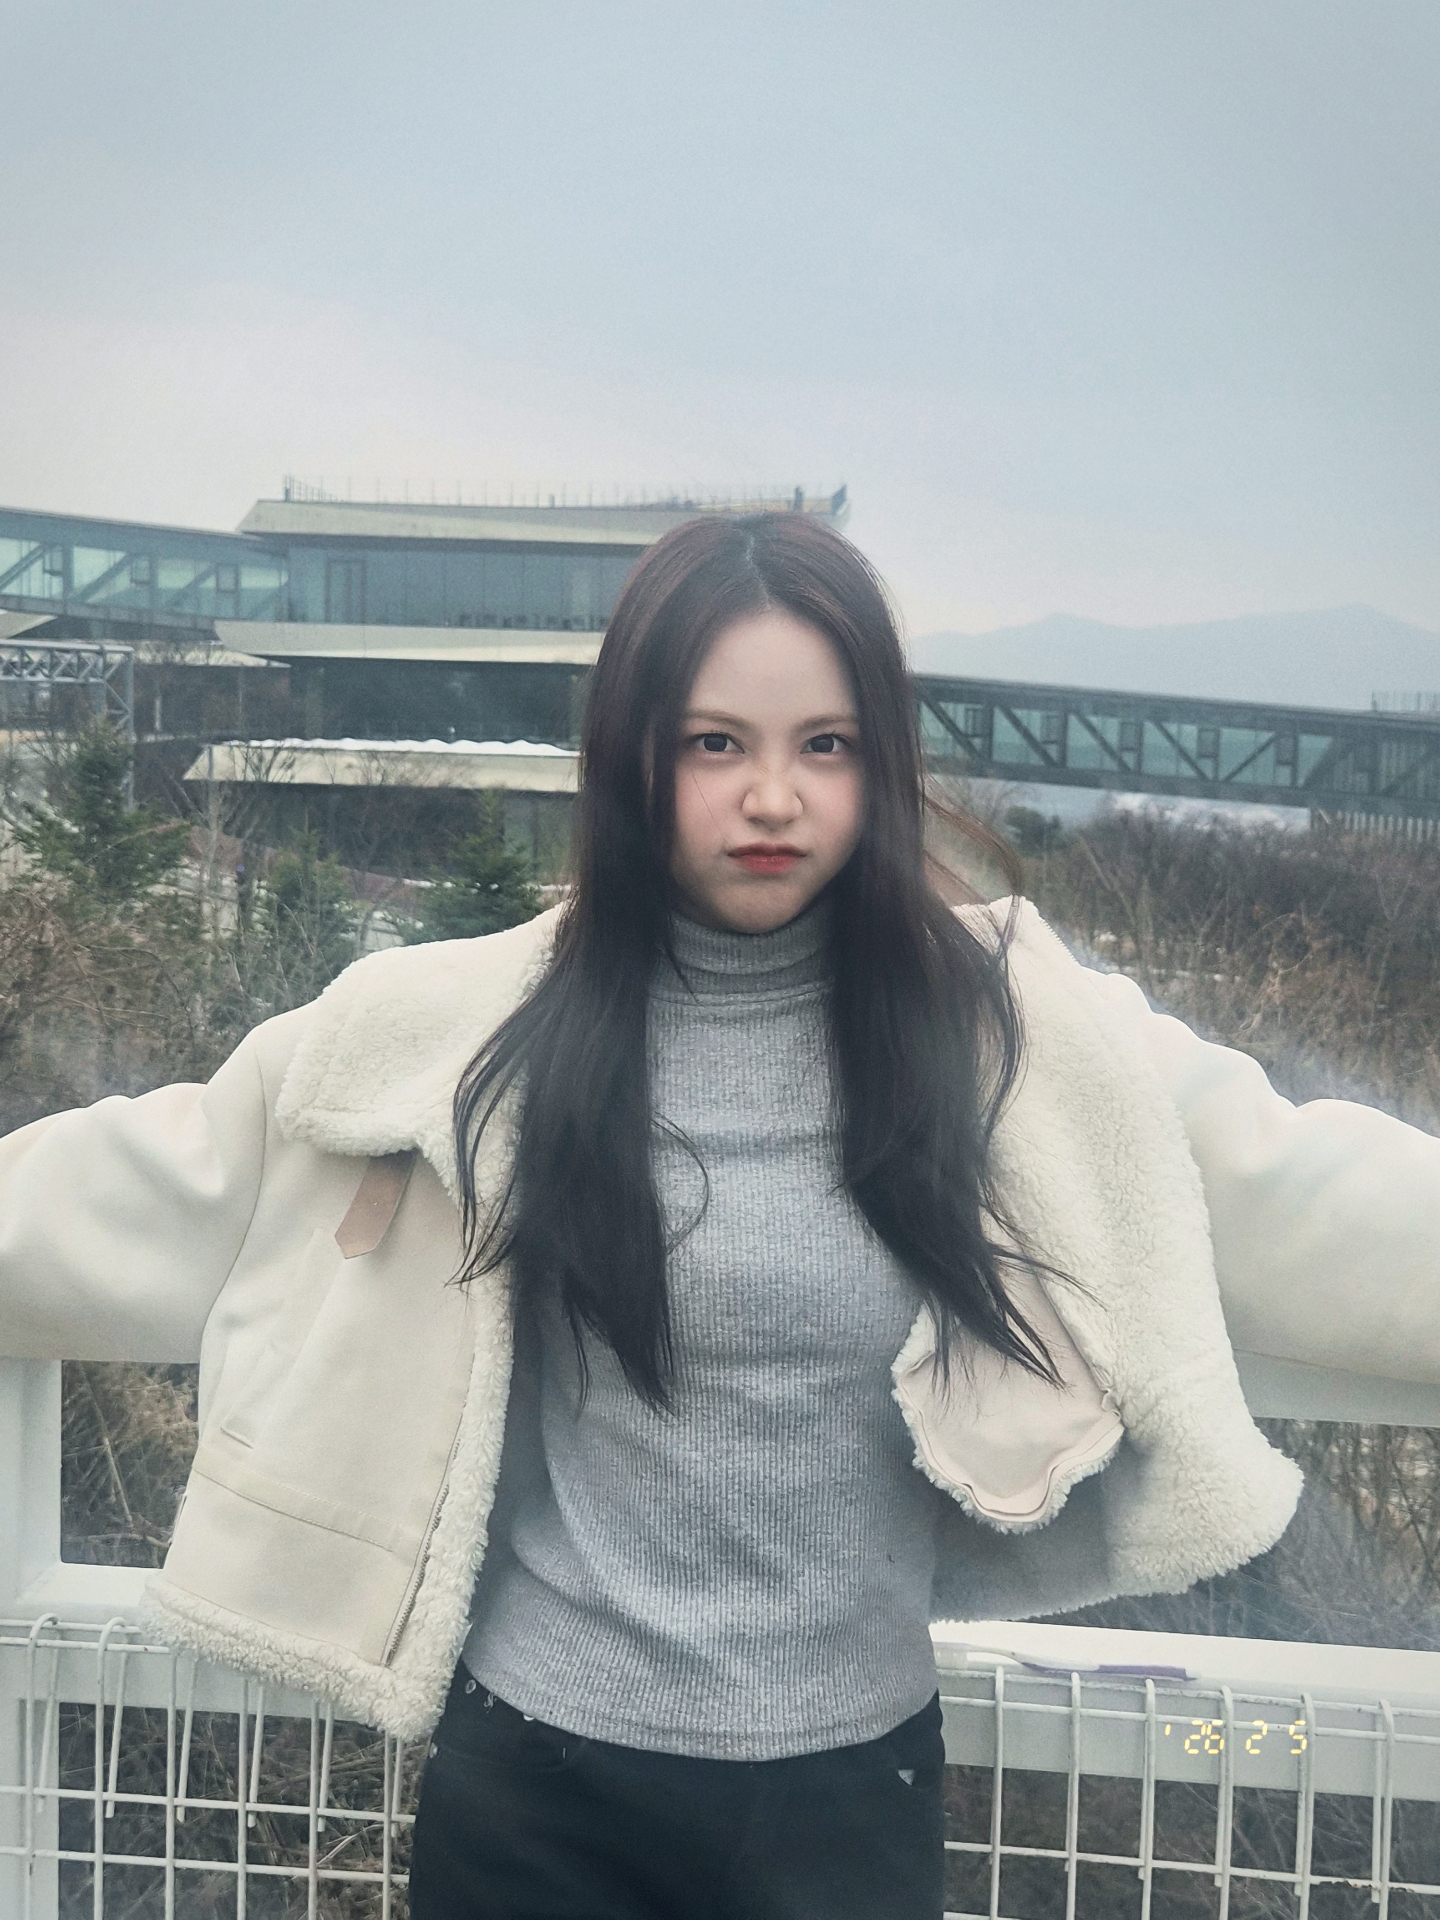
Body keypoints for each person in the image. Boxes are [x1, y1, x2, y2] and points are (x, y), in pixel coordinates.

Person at [1, 512, 1437, 1920]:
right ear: (633, 755)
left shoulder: (1012, 1037)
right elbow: (162, 1188)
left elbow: (1289, 1193)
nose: (773, 798)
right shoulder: (469, 1029)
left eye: (827, 745)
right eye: (714, 744)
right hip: (538, 1796)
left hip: (849, 1797)